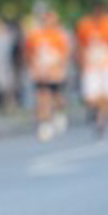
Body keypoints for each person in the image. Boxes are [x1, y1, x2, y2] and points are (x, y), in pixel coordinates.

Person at [25, 9, 71, 142]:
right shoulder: (35, 35)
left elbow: (64, 55)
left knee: (56, 96)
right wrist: (34, 67)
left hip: (55, 71)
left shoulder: (59, 35)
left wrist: (58, 69)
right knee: (42, 96)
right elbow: (29, 53)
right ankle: (44, 124)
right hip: (41, 70)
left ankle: (59, 112)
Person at [76, 4, 108, 136]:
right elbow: (80, 45)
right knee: (90, 97)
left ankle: (101, 120)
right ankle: (95, 110)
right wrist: (81, 61)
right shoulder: (85, 24)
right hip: (92, 65)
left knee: (106, 95)